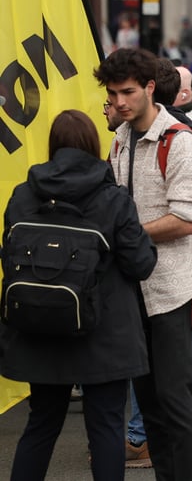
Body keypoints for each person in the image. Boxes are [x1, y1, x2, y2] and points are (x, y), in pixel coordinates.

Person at [2, 110, 157, 481]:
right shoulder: (113, 198)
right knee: (105, 427)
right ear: (92, 145)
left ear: (53, 146)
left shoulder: (23, 194)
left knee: (41, 424)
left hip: (39, 327)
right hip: (105, 330)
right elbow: (141, 265)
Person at [95, 47, 192, 481]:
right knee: (149, 403)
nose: (119, 102)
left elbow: (185, 219)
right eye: (112, 93)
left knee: (176, 402)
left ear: (148, 88)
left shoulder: (180, 142)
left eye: (127, 92)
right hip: (132, 289)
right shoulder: (121, 137)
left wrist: (125, 234)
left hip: (171, 288)